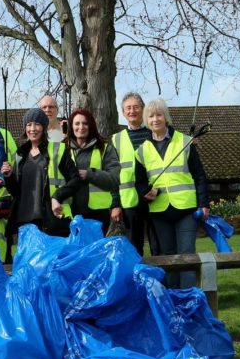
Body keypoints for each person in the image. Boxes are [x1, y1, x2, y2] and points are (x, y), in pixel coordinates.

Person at [135, 99, 210, 288]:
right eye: (150, 116)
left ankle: (190, 297)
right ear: (146, 120)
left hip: (186, 209)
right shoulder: (142, 151)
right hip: (159, 211)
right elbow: (140, 182)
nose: (155, 119)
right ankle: (173, 298)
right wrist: (145, 192)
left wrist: (204, 203)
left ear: (166, 117)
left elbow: (199, 175)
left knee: (186, 253)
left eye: (159, 115)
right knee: (168, 255)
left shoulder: (185, 142)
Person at [4, 107, 80, 238]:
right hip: (24, 222)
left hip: (50, 220)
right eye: (29, 125)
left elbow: (76, 180)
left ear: (44, 128)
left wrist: (57, 197)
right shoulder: (20, 155)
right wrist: (9, 176)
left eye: (37, 124)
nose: (32, 129)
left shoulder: (58, 150)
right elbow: (16, 191)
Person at [66, 108, 120, 237]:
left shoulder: (104, 148)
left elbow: (114, 179)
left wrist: (89, 174)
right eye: (77, 123)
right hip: (70, 212)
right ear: (71, 126)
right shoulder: (64, 149)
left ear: (91, 126)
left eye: (85, 123)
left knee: (96, 253)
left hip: (98, 214)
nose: (81, 127)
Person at [111, 92, 153, 255]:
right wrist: (115, 204)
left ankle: (162, 280)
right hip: (129, 202)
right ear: (123, 113)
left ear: (143, 109)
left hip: (155, 197)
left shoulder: (154, 133)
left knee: (158, 245)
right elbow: (113, 176)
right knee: (134, 248)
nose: (132, 111)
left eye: (136, 107)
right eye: (128, 108)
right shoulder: (116, 139)